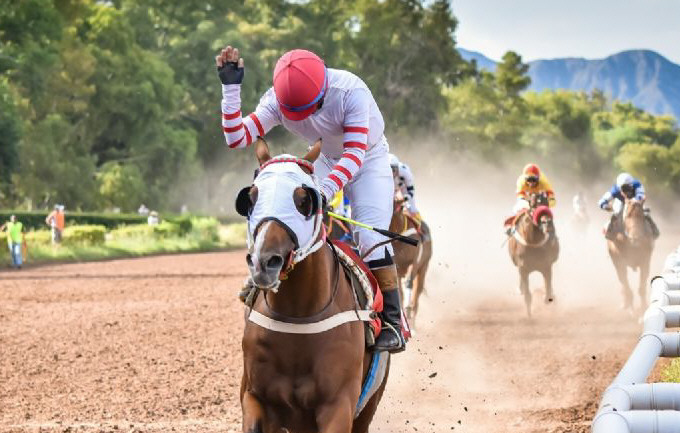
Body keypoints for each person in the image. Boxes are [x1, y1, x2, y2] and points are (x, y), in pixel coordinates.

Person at [216, 46, 404, 353]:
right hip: (327, 159)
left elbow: (354, 153)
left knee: (369, 237)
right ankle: (263, 277)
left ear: (323, 91)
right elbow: (236, 138)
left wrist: (325, 192)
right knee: (287, 212)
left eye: (308, 109)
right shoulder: (276, 99)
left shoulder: (350, 91)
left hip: (368, 159)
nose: (303, 118)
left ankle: (395, 323)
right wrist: (231, 88)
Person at [598, 173, 660, 240]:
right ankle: (609, 230)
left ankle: (654, 229)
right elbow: (601, 201)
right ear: (619, 188)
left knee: (645, 212)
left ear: (632, 185)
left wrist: (633, 201)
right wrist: (605, 206)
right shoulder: (615, 190)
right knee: (616, 213)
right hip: (621, 202)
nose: (626, 192)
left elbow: (640, 195)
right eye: (623, 189)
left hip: (635, 200)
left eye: (628, 188)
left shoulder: (637, 184)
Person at [504, 163, 556, 234]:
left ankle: (550, 229)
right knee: (519, 207)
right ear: (525, 178)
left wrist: (550, 202)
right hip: (526, 196)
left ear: (538, 178)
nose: (531, 183)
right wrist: (525, 203)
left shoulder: (544, 182)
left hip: (539, 194)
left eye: (534, 180)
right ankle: (512, 226)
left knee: (544, 208)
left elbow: (550, 194)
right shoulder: (521, 182)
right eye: (529, 180)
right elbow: (520, 195)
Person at [389, 153, 421, 224]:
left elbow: (411, 191)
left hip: (403, 187)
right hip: (391, 189)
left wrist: (405, 198)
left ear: (398, 168)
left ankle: (419, 227)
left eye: (394, 170)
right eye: (389, 170)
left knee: (411, 208)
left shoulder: (405, 172)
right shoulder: (382, 174)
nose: (392, 173)